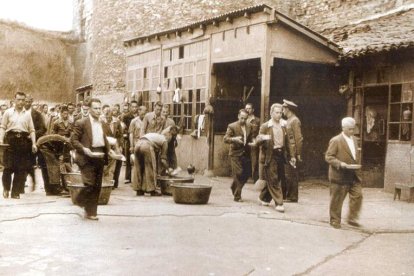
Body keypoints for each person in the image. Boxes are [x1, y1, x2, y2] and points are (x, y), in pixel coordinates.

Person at [70, 98, 113, 220]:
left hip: (99, 156)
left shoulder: (102, 123)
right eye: (96, 108)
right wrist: (84, 149)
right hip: (86, 156)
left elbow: (104, 139)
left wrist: (109, 150)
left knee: (97, 186)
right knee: (90, 184)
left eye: (100, 108)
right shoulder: (81, 123)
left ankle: (91, 213)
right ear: (89, 109)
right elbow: (73, 140)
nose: (99, 111)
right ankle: (79, 200)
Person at [255, 103, 295, 212]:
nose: (279, 114)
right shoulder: (265, 126)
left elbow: (289, 142)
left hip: (280, 154)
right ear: (271, 113)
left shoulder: (285, 125)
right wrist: (262, 138)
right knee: (273, 178)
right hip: (270, 154)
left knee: (278, 178)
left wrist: (292, 156)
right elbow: (258, 141)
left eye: (280, 112)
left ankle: (263, 197)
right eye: (277, 112)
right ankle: (279, 203)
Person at [325, 117, 363, 229]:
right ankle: (335, 220)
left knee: (358, 195)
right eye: (350, 129)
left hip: (353, 174)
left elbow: (355, 155)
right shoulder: (336, 140)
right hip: (339, 175)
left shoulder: (355, 140)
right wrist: (340, 164)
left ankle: (352, 218)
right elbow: (328, 156)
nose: (352, 131)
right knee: (337, 199)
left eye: (353, 128)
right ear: (343, 128)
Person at [0, 92, 37, 199]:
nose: (21, 102)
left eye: (23, 100)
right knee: (8, 167)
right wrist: (1, 139)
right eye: (19, 100)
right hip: (10, 140)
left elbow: (32, 130)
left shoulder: (27, 114)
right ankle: (6, 188)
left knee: (20, 168)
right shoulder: (8, 112)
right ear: (14, 100)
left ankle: (15, 192)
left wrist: (34, 143)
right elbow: (2, 127)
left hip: (23, 141)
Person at [132, 126, 178, 196]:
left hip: (138, 144)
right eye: (172, 137)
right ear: (169, 135)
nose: (171, 139)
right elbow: (163, 160)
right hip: (147, 146)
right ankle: (152, 190)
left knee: (138, 168)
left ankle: (139, 190)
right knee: (150, 168)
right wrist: (168, 170)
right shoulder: (165, 141)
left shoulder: (157, 136)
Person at [223, 109, 253, 202]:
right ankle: (237, 196)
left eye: (245, 119)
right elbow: (226, 139)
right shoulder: (232, 126)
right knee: (238, 173)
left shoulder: (249, 126)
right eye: (241, 118)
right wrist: (235, 139)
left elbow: (250, 138)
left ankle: (234, 187)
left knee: (247, 173)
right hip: (235, 153)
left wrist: (253, 142)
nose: (243, 120)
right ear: (238, 116)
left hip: (246, 153)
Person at [24, 95, 47, 192]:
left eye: (29, 101)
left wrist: (33, 135)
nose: (27, 103)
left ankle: (36, 181)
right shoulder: (19, 113)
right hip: (22, 142)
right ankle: (21, 183)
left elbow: (43, 129)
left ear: (32, 102)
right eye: (26, 101)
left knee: (34, 162)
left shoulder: (37, 115)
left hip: (34, 142)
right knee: (22, 162)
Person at [282, 99, 303, 203]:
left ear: (288, 109)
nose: (282, 111)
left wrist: (297, 153)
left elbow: (298, 138)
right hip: (288, 151)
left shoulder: (295, 120)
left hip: (292, 152)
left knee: (291, 174)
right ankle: (288, 195)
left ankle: (292, 197)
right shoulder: (289, 120)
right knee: (288, 174)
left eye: (284, 109)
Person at [120, 101, 138, 184]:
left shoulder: (139, 116)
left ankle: (137, 178)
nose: (134, 108)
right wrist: (127, 134)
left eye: (135, 107)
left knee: (137, 158)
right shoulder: (126, 116)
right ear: (130, 107)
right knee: (128, 158)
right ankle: (127, 177)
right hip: (128, 138)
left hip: (137, 139)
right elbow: (123, 128)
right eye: (133, 107)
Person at [245, 103, 261, 183]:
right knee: (245, 160)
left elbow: (260, 132)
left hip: (253, 142)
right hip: (244, 143)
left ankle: (255, 178)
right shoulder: (243, 119)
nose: (247, 110)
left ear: (253, 110)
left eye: (249, 108)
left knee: (254, 160)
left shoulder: (257, 120)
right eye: (246, 108)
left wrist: (256, 140)